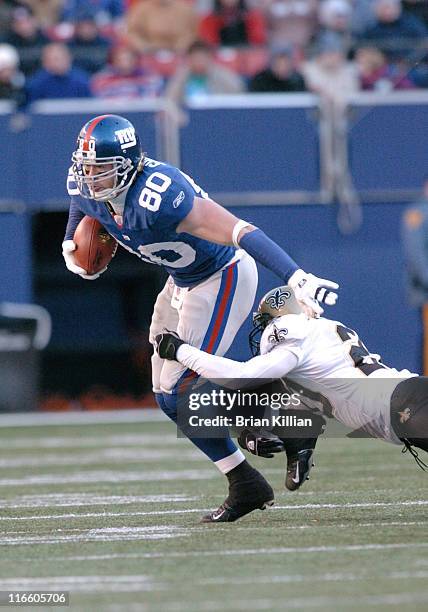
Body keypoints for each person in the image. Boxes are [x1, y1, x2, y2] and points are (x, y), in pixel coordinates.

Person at [62, 114, 339, 522]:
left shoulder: (159, 196)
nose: (91, 178)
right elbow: (79, 205)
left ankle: (288, 420)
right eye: (86, 167)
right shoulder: (86, 187)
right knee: (165, 395)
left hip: (221, 274)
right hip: (182, 281)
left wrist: (296, 276)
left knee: (181, 389)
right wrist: (73, 242)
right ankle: (245, 482)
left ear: (128, 164)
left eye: (101, 169)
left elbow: (239, 229)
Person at [155, 285, 428, 500]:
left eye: (264, 323)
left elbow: (243, 377)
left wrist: (181, 351)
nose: (264, 331)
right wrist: (256, 435)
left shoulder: (288, 331)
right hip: (406, 400)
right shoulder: (319, 345)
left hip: (404, 407)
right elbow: (298, 418)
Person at [165, 40, 244, 107]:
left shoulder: (223, 75)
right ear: (189, 58)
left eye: (202, 58)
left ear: (209, 57)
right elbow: (169, 97)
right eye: (195, 58)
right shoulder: (182, 75)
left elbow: (238, 93)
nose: (199, 62)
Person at [26, 43, 91, 103]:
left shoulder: (82, 80)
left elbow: (89, 106)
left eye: (57, 59)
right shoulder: (36, 83)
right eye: (49, 59)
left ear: (68, 58)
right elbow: (31, 108)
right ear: (44, 62)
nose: (54, 63)